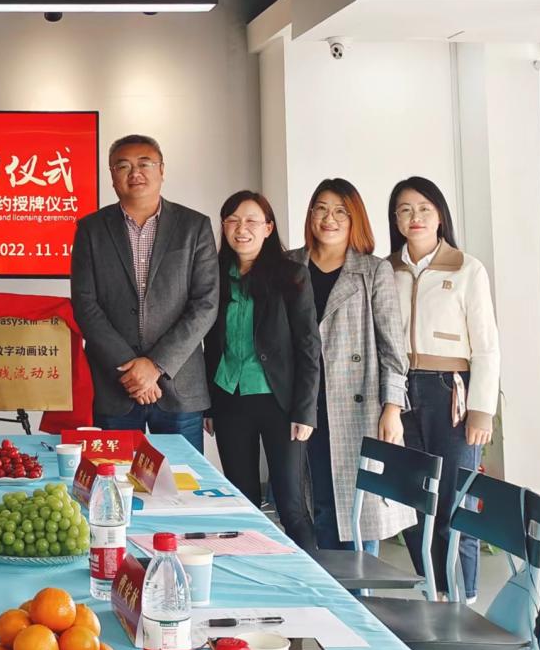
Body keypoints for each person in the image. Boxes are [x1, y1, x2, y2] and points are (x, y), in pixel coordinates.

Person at [388, 176, 499, 604]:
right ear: (396, 219)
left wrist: (482, 410)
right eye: (404, 209)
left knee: (455, 503)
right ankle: (433, 594)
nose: (414, 217)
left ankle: (462, 600)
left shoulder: (468, 269)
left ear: (439, 215)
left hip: (450, 394)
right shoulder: (386, 270)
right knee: (415, 502)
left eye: (423, 208)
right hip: (401, 393)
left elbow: (486, 346)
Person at [287, 178, 413, 555]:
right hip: (302, 404)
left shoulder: (373, 271)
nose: (330, 219)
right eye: (322, 209)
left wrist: (393, 407)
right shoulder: (289, 265)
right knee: (312, 505)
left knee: (359, 509)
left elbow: (393, 348)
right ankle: (322, 583)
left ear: (355, 217)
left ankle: (359, 588)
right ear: (310, 214)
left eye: (341, 211)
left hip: (357, 406)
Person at [70, 134, 219, 452]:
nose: (134, 172)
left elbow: (205, 303)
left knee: (182, 478)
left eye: (144, 164)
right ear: (112, 176)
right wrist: (131, 368)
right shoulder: (91, 230)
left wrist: (156, 366)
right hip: (115, 385)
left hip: (178, 384)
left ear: (162, 170)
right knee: (114, 476)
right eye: (123, 166)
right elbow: (85, 304)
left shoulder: (194, 226)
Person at [203, 191, 319, 549]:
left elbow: (308, 346)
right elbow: (209, 344)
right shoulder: (213, 276)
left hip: (279, 403)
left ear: (268, 228)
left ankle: (309, 577)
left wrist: (305, 410)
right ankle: (250, 570)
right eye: (233, 221)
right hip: (230, 400)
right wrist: (208, 405)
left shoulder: (292, 275)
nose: (242, 229)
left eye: (252, 221)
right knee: (241, 502)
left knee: (291, 505)